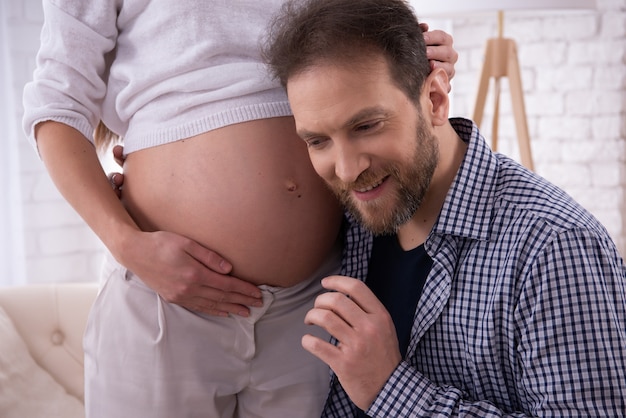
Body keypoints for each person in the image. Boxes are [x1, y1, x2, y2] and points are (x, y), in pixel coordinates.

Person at [21, 1, 457, 416]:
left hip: (310, 301)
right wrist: (126, 244)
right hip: (165, 301)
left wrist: (425, 55)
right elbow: (56, 106)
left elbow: (369, 52)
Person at [261, 0, 626, 416]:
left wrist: (389, 391)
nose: (346, 171)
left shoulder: (555, 248)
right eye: (317, 141)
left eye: (366, 126)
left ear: (435, 98)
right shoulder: (352, 220)